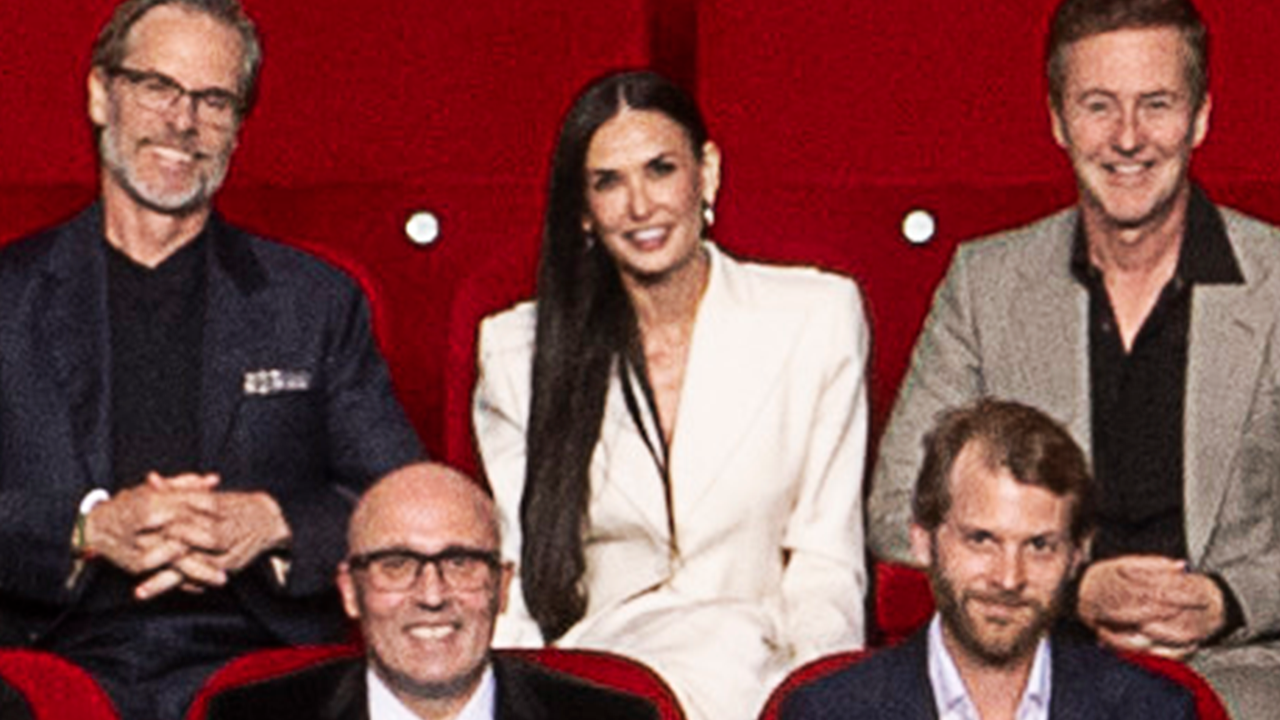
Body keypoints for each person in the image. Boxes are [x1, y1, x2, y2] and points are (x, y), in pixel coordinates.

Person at [0, 1, 422, 717]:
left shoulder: (313, 302)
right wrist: (87, 530)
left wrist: (272, 521)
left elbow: (403, 504)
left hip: (264, 663)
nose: (183, 121)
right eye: (158, 87)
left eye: (214, 100)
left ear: (237, 127)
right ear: (102, 95)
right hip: (44, 657)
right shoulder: (8, 299)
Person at [868, 1, 1280, 717]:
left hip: (1237, 675)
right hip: (1028, 668)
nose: (1127, 138)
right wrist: (1067, 587)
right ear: (1059, 119)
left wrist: (1227, 597)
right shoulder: (985, 282)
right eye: (1098, 106)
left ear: (1201, 117)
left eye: (1156, 104)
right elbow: (896, 507)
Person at [472, 70, 869, 720]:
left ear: (705, 173)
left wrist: (812, 702)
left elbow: (827, 560)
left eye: (660, 170)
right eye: (608, 181)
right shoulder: (517, 351)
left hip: (759, 671)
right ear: (582, 209)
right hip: (602, 677)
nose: (640, 206)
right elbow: (515, 579)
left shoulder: (817, 316)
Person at [787, 400, 1194, 719]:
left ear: (1076, 556)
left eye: (1039, 546)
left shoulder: (1153, 712)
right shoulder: (827, 713)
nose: (1008, 578)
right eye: (982, 540)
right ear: (923, 541)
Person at [204, 463, 658, 720]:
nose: (432, 594)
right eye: (396, 565)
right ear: (349, 591)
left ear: (501, 587)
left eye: (460, 562)